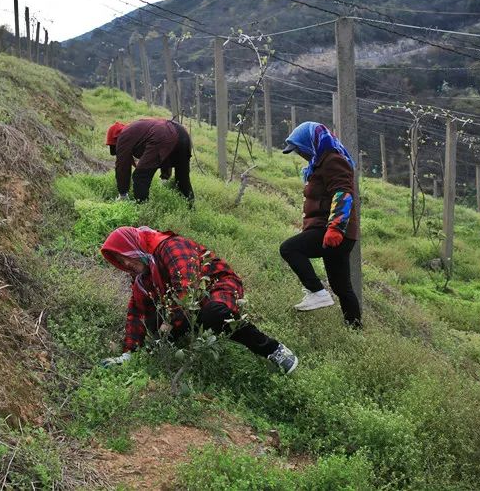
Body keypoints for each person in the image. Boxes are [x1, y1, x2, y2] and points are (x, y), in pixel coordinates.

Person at [99, 226, 299, 374]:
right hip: (187, 304)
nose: (125, 263)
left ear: (133, 246)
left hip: (216, 286)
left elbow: (187, 288)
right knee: (152, 321)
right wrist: (129, 352)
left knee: (215, 314)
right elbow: (137, 312)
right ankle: (149, 355)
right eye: (120, 261)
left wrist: (169, 324)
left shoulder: (170, 247)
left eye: (125, 256)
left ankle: (274, 350)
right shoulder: (143, 274)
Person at [279, 122, 362, 328]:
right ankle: (355, 330)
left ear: (310, 143)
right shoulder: (318, 163)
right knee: (342, 287)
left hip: (332, 230)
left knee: (289, 248)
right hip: (329, 230)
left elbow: (343, 192)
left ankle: (316, 292)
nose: (300, 155)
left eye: (300, 150)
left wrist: (335, 227)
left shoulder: (333, 160)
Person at [105, 118, 193, 204]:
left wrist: (123, 193)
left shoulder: (123, 135)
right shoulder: (137, 129)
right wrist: (165, 177)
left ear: (115, 139)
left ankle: (141, 207)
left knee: (140, 176)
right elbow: (165, 149)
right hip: (182, 133)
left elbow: (122, 166)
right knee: (182, 178)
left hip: (164, 134)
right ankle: (191, 207)